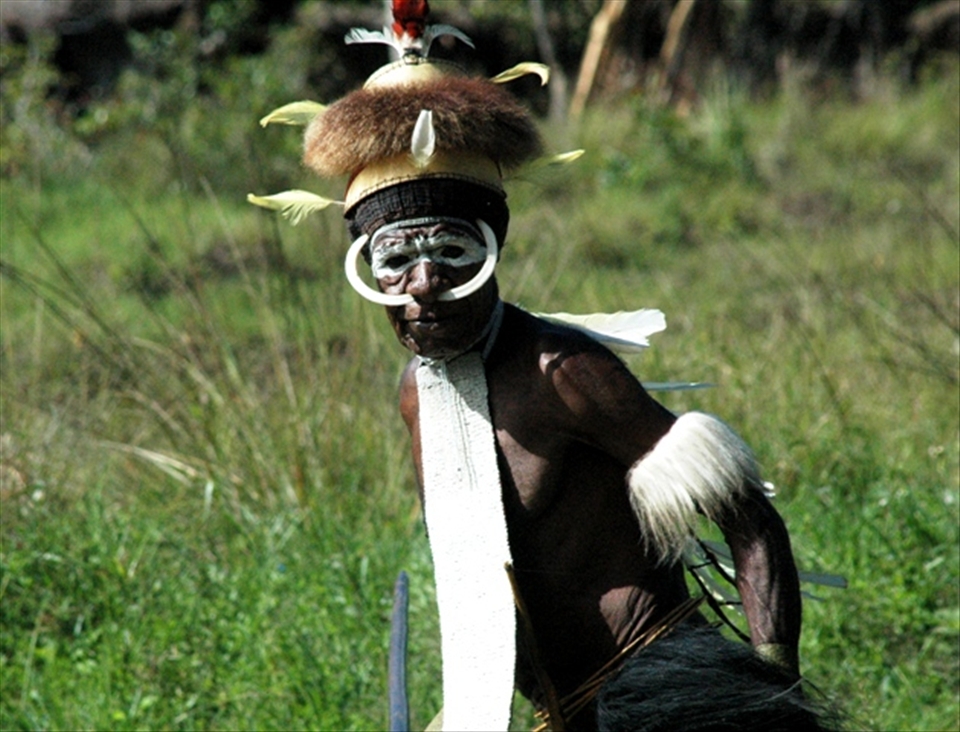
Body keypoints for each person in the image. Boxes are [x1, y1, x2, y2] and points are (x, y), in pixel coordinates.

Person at [250, 2, 838, 729]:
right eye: (396, 260)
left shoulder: (564, 371)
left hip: (661, 692)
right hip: (556, 711)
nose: (425, 283)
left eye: (451, 253)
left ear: (491, 253)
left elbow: (748, 517)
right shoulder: (419, 392)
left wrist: (773, 685)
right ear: (367, 272)